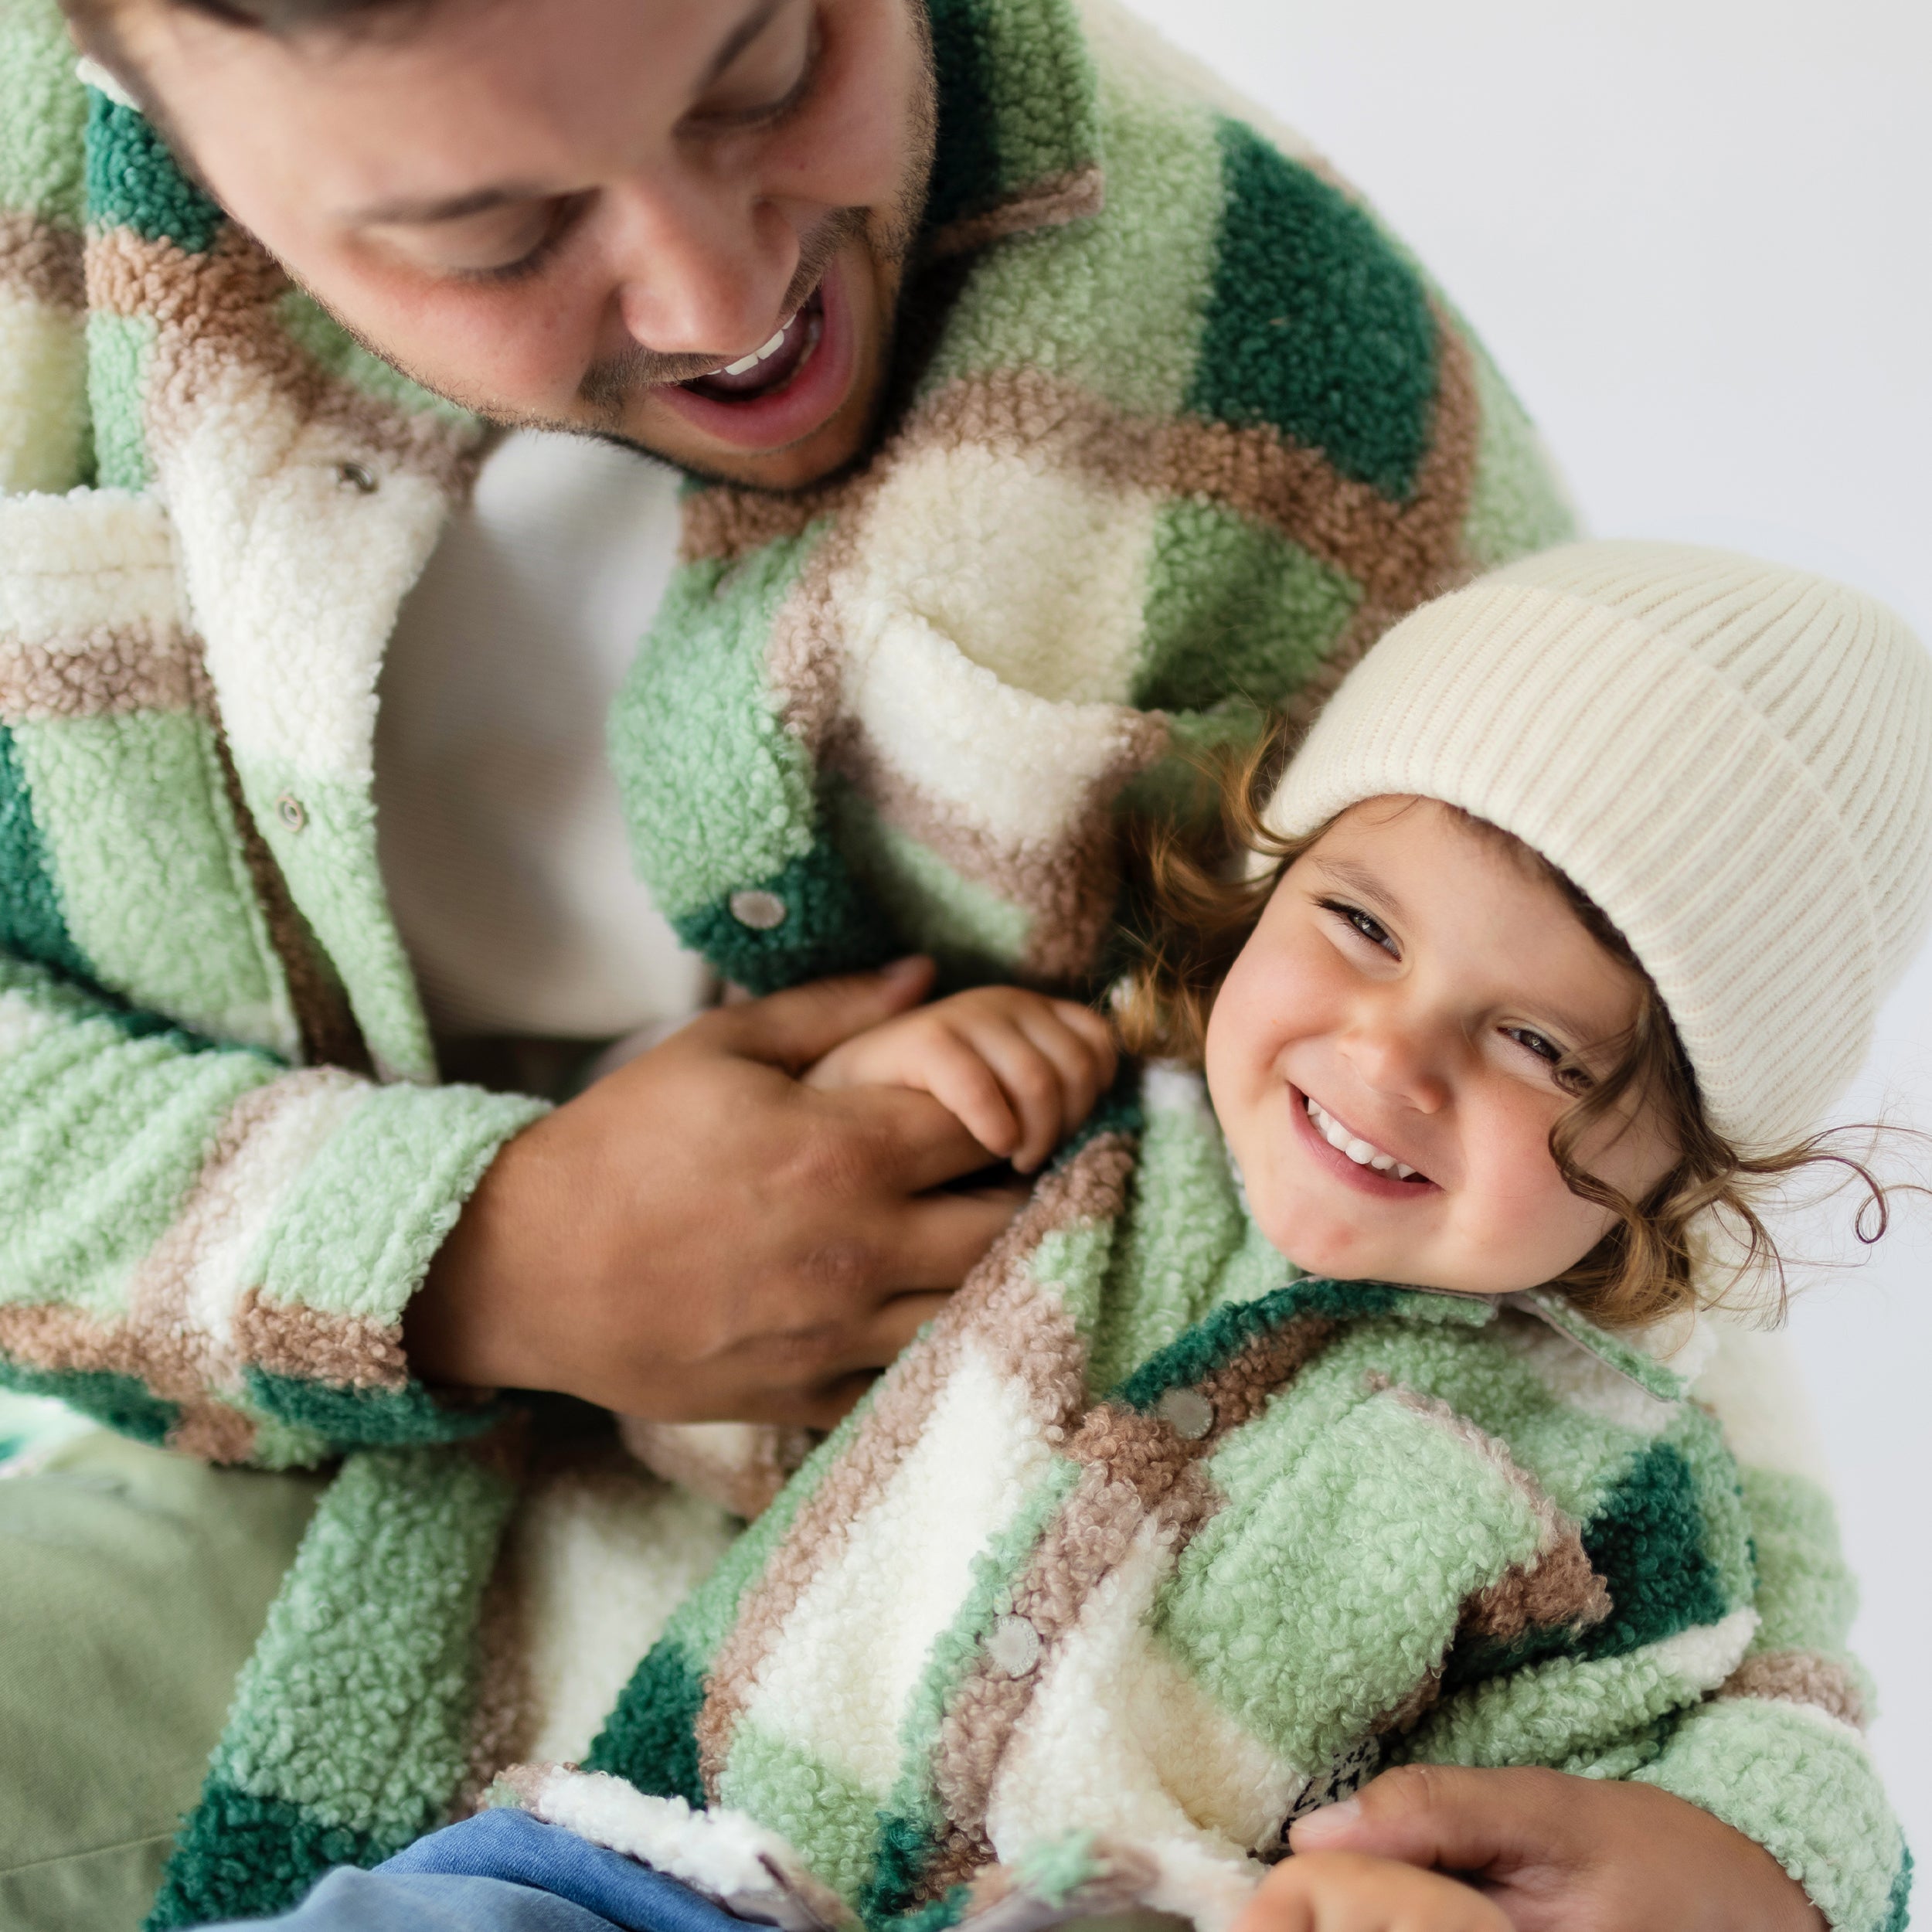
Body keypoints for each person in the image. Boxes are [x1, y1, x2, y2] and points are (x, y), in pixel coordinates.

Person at [0, 0, 1876, 1917]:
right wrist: (485, 1249)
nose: (715, 291)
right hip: (279, 1485)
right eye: (490, 231)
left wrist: (1780, 1860)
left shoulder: (1269, 355)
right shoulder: (27, 228)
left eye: (765, 70)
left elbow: (1656, 1197)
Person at [158, 544, 1921, 1932]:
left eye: (1536, 1044)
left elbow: (1641, 1794)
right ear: (1266, 880)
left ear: (1680, 1162)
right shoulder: (1082, 1150)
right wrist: (864, 1101)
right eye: (1361, 926)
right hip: (667, 1868)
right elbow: (719, 1422)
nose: (1391, 1058)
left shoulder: (1615, 1475)